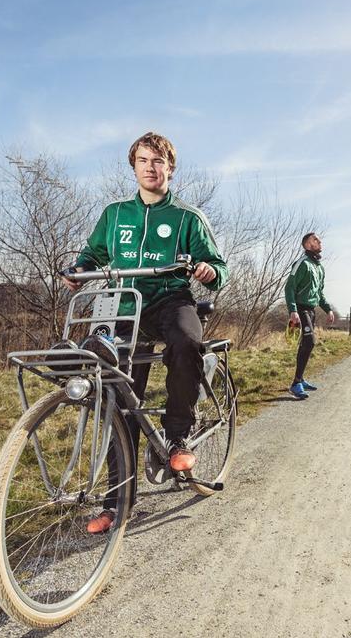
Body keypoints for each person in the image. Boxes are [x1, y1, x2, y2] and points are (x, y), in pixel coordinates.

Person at [63, 132, 228, 533]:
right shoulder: (115, 214)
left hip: (171, 302)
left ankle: (177, 438)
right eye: (143, 161)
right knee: (120, 398)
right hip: (124, 307)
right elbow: (92, 255)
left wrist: (208, 271)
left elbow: (217, 267)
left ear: (170, 167)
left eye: (158, 161)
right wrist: (78, 272)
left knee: (188, 342)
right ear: (133, 166)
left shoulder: (188, 218)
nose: (150, 168)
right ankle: (117, 502)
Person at [284, 233, 335, 400]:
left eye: (319, 240)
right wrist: (293, 310)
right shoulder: (302, 263)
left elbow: (319, 293)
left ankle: (301, 379)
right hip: (300, 309)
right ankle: (295, 383)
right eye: (315, 240)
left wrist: (328, 309)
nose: (319, 242)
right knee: (310, 341)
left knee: (306, 345)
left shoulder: (319, 267)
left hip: (312, 310)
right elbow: (289, 287)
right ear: (307, 245)